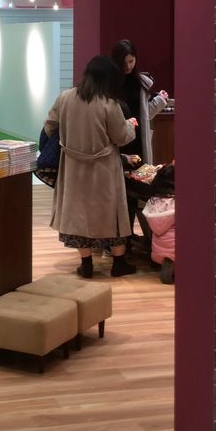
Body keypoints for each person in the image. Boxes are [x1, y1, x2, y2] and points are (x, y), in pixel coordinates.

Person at [44, 55, 139, 278]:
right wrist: (130, 125)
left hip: (72, 168)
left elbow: (49, 127)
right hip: (103, 169)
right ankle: (118, 263)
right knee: (111, 216)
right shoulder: (109, 104)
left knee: (78, 217)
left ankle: (86, 264)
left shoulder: (65, 98)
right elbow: (122, 136)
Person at [110, 39, 169, 164]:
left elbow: (143, 115)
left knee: (141, 177)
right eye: (123, 62)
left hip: (138, 139)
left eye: (131, 61)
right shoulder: (109, 85)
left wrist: (160, 101)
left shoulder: (141, 83)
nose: (128, 66)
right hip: (118, 138)